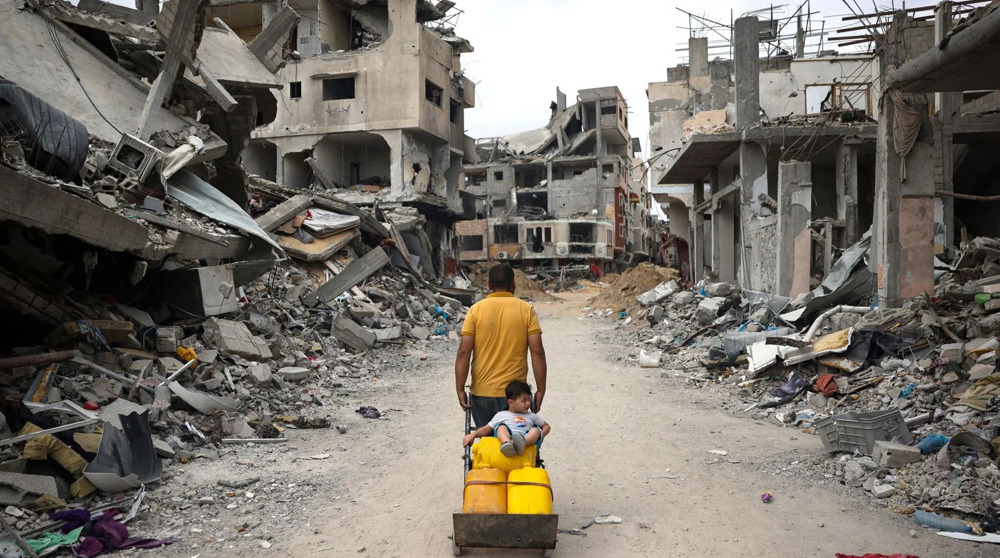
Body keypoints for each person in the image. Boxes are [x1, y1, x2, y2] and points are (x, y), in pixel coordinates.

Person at [455, 263, 547, 428]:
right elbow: (537, 352)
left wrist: (460, 388)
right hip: (515, 395)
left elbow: (464, 352)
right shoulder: (527, 310)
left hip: (482, 393)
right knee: (518, 445)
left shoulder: (475, 311)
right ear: (513, 285)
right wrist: (541, 389)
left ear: (489, 285)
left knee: (488, 445)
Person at [463, 381, 550, 457]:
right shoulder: (502, 415)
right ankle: (507, 444)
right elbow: (487, 428)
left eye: (529, 400)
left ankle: (522, 443)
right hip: (508, 436)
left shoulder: (531, 415)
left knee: (535, 430)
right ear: (511, 402)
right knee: (501, 427)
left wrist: (540, 435)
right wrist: (473, 435)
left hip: (526, 438)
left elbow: (546, 426)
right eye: (524, 400)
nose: (528, 403)